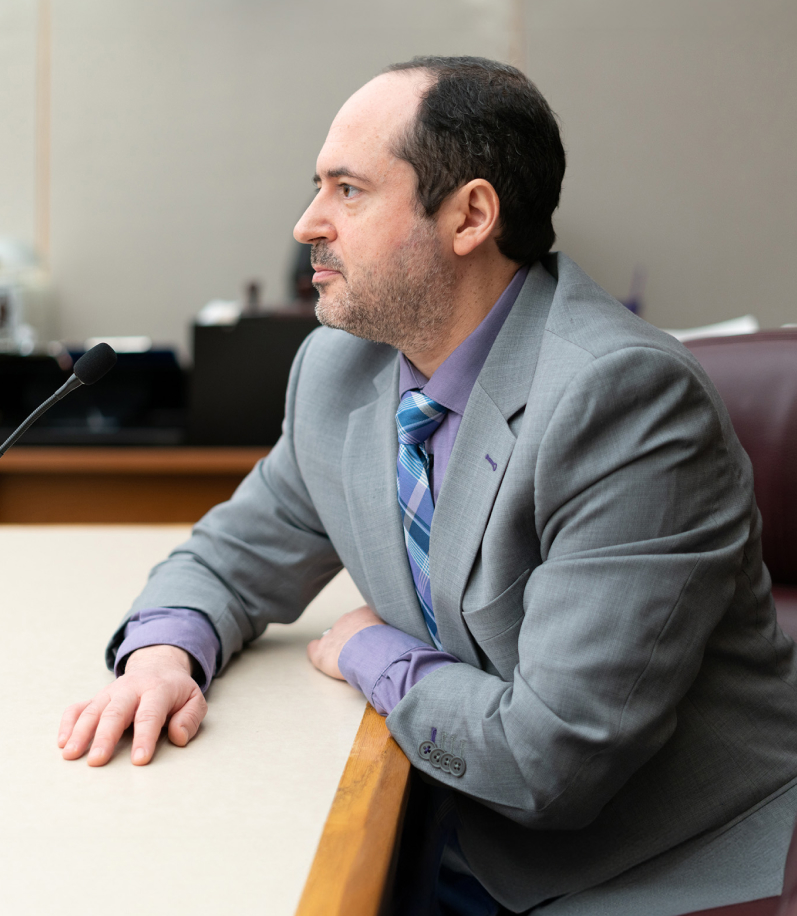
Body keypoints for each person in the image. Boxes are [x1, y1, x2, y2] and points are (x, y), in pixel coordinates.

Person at [58, 57, 797, 915]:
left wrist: (369, 649)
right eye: (316, 187)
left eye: (347, 191)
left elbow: (548, 764)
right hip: (443, 819)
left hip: (645, 871)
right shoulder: (341, 368)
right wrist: (163, 656)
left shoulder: (620, 400)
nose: (306, 223)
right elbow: (231, 558)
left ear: (469, 216)